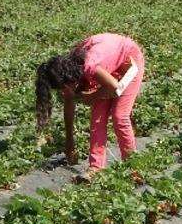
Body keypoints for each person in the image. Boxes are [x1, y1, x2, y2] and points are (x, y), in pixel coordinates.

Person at [36, 33, 145, 180]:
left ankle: (132, 167)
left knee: (120, 116)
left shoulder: (89, 66)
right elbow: (69, 102)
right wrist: (69, 139)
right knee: (97, 119)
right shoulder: (70, 70)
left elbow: (114, 86)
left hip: (129, 62)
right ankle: (96, 167)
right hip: (108, 68)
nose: (64, 92)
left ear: (69, 79)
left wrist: (92, 96)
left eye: (64, 88)